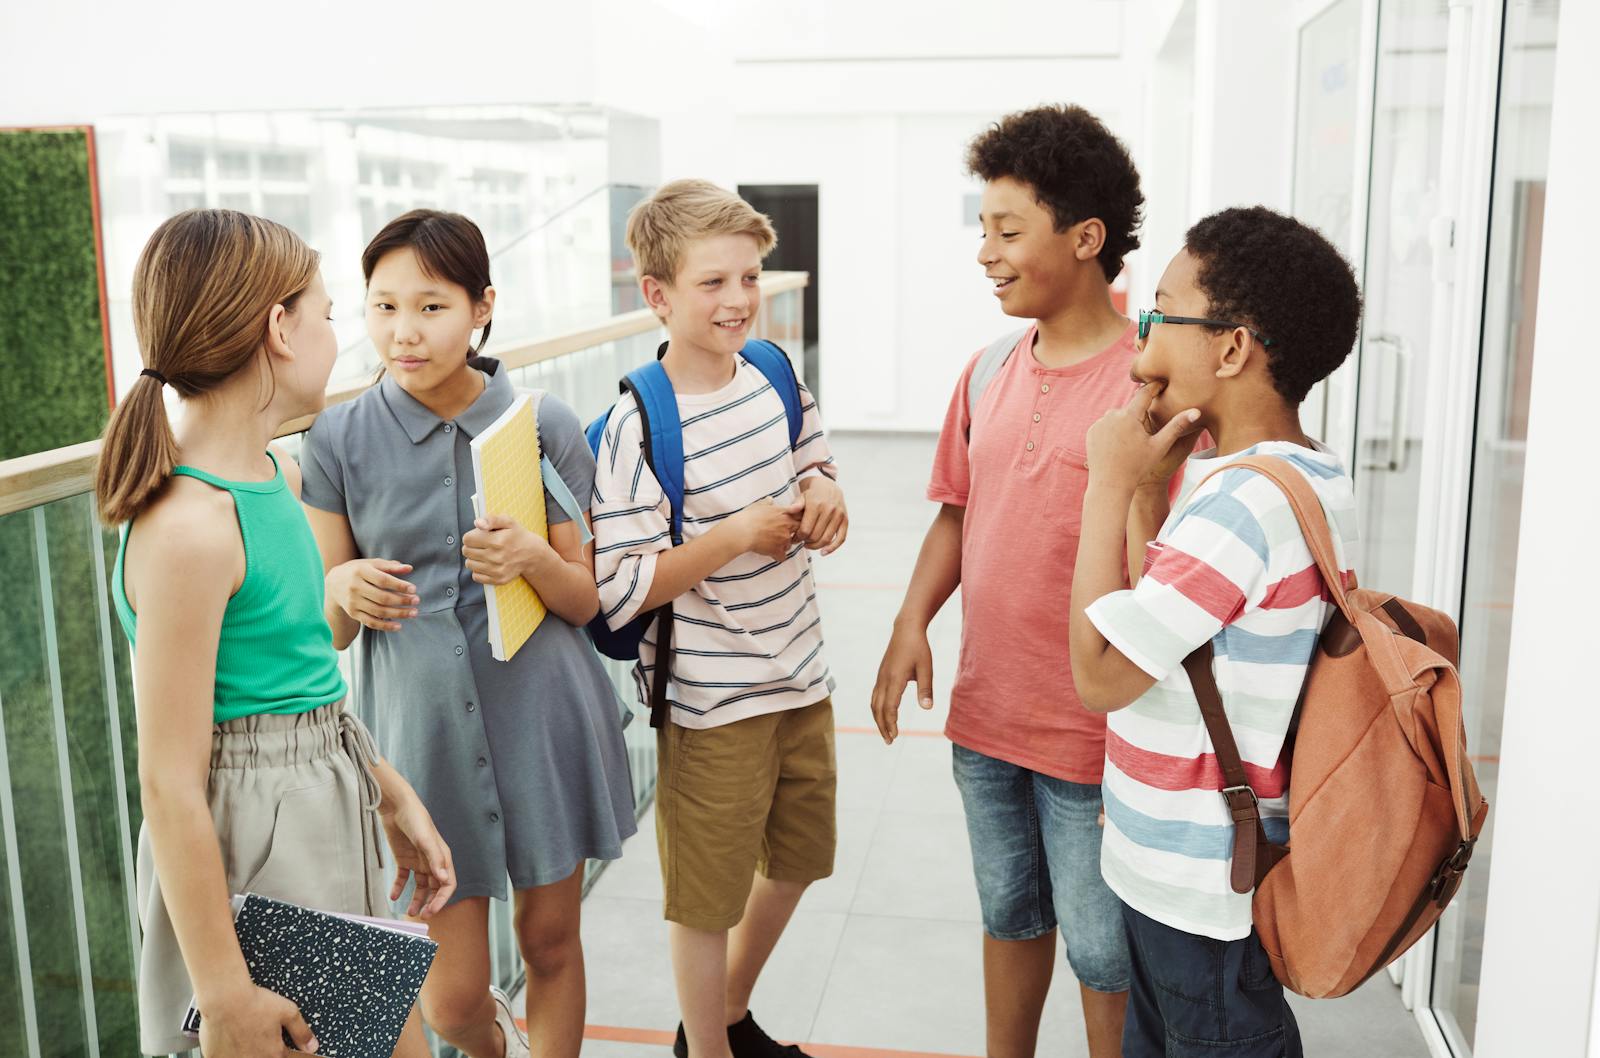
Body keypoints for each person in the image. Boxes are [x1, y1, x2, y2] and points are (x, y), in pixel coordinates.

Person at [96, 208, 454, 1058]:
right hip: (260, 857)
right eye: (331, 314)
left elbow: (298, 681)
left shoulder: (277, 474)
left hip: (328, 808)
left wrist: (387, 790)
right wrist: (223, 996)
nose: (344, 335)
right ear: (279, 329)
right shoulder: (190, 528)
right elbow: (171, 782)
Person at [300, 209, 637, 1058]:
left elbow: (584, 599)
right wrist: (341, 584)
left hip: (541, 713)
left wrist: (530, 556)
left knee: (551, 943)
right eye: (383, 308)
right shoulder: (337, 439)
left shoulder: (542, 425)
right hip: (422, 738)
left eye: (431, 306)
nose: (403, 332)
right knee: (451, 1003)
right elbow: (328, 630)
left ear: (482, 307)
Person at [870, 104, 1144, 1058]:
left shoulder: (1151, 382)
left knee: (1107, 954)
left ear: (1086, 237)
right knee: (1011, 913)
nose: (985, 252)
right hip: (988, 714)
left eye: (1007, 230)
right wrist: (912, 624)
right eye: (980, 229)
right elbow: (957, 511)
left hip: (1097, 733)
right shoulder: (987, 368)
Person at [1068, 205, 1364, 1058]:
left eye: (1159, 313)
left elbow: (1101, 675)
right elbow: (1164, 638)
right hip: (1181, 872)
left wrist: (1102, 484)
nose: (1141, 345)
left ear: (1231, 349)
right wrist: (1138, 495)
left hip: (1198, 890)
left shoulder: (1241, 506)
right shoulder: (1286, 478)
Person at [591, 179, 847, 1058]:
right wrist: (734, 535)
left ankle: (727, 1016)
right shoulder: (637, 423)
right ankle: (705, 1049)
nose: (740, 299)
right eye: (714, 282)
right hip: (709, 700)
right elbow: (622, 586)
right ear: (655, 294)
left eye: (750, 277)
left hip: (800, 672)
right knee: (706, 900)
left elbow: (817, 463)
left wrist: (825, 494)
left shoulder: (775, 374)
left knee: (804, 859)